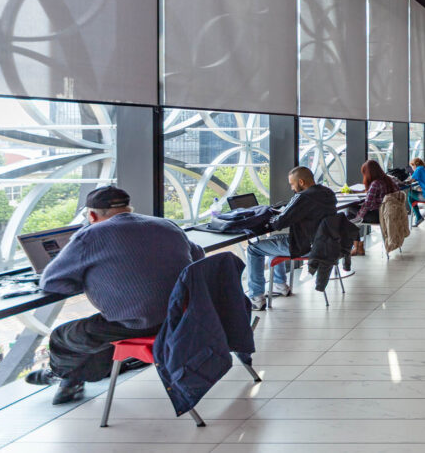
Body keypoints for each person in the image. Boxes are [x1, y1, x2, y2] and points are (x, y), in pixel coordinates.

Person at [27, 186, 204, 404]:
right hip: (183, 316)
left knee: (63, 337)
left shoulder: (89, 236)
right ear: (129, 208)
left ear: (92, 216)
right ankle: (73, 381)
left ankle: (59, 375)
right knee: (101, 331)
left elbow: (51, 281)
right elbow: (198, 255)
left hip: (143, 324)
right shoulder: (166, 224)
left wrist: (89, 279)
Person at [245, 166, 337, 310]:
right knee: (272, 241)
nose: (291, 188)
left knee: (253, 249)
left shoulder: (303, 197)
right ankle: (280, 285)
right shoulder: (328, 193)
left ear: (301, 182)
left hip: (306, 247)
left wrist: (270, 218)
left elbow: (279, 223)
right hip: (326, 244)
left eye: (292, 184)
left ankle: (256, 298)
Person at [355, 159, 400, 226]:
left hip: (379, 216)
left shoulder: (375, 184)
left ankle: (352, 230)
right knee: (355, 213)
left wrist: (358, 217)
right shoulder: (390, 180)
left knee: (351, 209)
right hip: (391, 213)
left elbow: (367, 204)